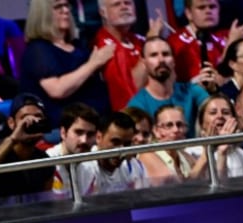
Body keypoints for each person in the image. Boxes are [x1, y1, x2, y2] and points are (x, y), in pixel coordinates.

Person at [20, 0, 113, 128]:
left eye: (67, 5)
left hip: (96, 119)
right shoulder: (38, 49)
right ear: (43, 13)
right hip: (62, 125)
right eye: (58, 7)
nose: (66, 10)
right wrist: (93, 64)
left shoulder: (77, 46)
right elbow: (57, 90)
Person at [0, 92, 54, 201]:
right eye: (24, 118)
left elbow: (45, 203)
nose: (32, 122)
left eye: (38, 117)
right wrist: (12, 139)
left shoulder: (44, 161)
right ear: (11, 123)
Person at [127, 37, 210, 136]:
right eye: (154, 55)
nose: (161, 60)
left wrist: (213, 90)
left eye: (166, 54)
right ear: (143, 62)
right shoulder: (137, 105)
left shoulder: (192, 91)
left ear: (173, 60)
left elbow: (215, 110)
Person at [94, 0, 162, 111]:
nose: (124, 7)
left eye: (128, 3)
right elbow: (129, 91)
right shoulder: (103, 45)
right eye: (117, 4)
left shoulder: (139, 40)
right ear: (103, 12)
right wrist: (150, 43)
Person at [167, 0, 243, 84]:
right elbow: (209, 82)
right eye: (201, 7)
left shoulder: (224, 37)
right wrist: (231, 45)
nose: (208, 11)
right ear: (188, 13)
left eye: (212, 7)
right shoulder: (176, 43)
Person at [74, 110, 148, 195]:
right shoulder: (84, 168)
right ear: (98, 137)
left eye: (127, 144)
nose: (121, 150)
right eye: (115, 142)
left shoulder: (134, 167)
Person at [186, 94, 243, 177]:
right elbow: (189, 185)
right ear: (201, 123)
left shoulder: (241, 154)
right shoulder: (191, 152)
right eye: (213, 113)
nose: (220, 116)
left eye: (225, 112)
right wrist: (208, 152)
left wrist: (223, 151)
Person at [46, 102, 100, 194]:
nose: (84, 140)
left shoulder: (92, 167)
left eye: (90, 134)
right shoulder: (46, 163)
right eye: (78, 132)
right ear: (63, 133)